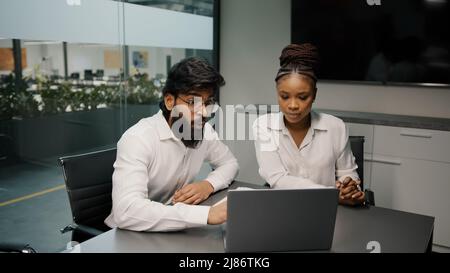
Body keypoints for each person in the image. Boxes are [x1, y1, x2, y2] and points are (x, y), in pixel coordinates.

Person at [105, 57, 239, 231]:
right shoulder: (138, 138)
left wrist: (207, 185)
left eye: (207, 103)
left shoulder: (203, 131)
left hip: (172, 230)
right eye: (192, 102)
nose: (204, 112)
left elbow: (230, 163)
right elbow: (126, 211)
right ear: (170, 101)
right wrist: (206, 215)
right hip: (126, 235)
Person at [253, 43, 365, 206]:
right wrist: (331, 194)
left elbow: (348, 174)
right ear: (277, 94)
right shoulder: (263, 126)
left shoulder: (336, 127)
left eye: (302, 97)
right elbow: (277, 179)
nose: (292, 105)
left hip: (327, 211)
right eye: (284, 97)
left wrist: (350, 189)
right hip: (283, 208)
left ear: (314, 95)